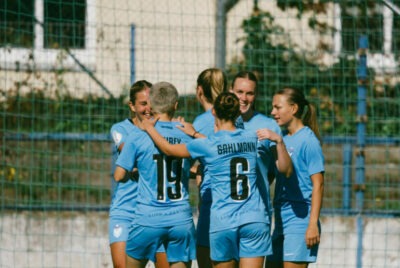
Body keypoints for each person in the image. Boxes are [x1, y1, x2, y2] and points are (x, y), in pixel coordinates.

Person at [142, 92, 292, 268]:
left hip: (224, 220)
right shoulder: (252, 138)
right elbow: (283, 169)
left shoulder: (207, 145)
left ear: (213, 112)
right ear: (238, 113)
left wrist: (149, 128)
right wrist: (279, 141)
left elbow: (168, 149)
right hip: (254, 218)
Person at [114, 82, 196, 268]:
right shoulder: (186, 133)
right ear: (176, 105)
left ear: (150, 104)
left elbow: (119, 176)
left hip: (148, 217)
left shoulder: (138, 134)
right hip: (180, 219)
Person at [259, 87, 325, 268]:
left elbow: (318, 184)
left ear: (293, 109)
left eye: (278, 107)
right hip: (280, 218)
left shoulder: (308, 140)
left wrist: (312, 225)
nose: (273, 112)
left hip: (300, 221)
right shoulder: (283, 138)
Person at [109, 80, 168, 268]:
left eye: (151, 102)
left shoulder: (165, 129)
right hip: (125, 212)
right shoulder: (121, 129)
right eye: (143, 103)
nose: (148, 108)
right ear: (132, 106)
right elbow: (130, 153)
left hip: (157, 213)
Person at [230, 70, 283, 241]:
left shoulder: (270, 126)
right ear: (231, 91)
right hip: (225, 215)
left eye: (249, 93)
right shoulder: (214, 123)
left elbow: (276, 170)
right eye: (240, 92)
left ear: (256, 95)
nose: (244, 98)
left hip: (256, 216)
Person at [191, 68, 228, 268]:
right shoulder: (235, 117)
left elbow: (183, 162)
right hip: (236, 203)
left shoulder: (201, 123)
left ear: (199, 91)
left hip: (212, 201)